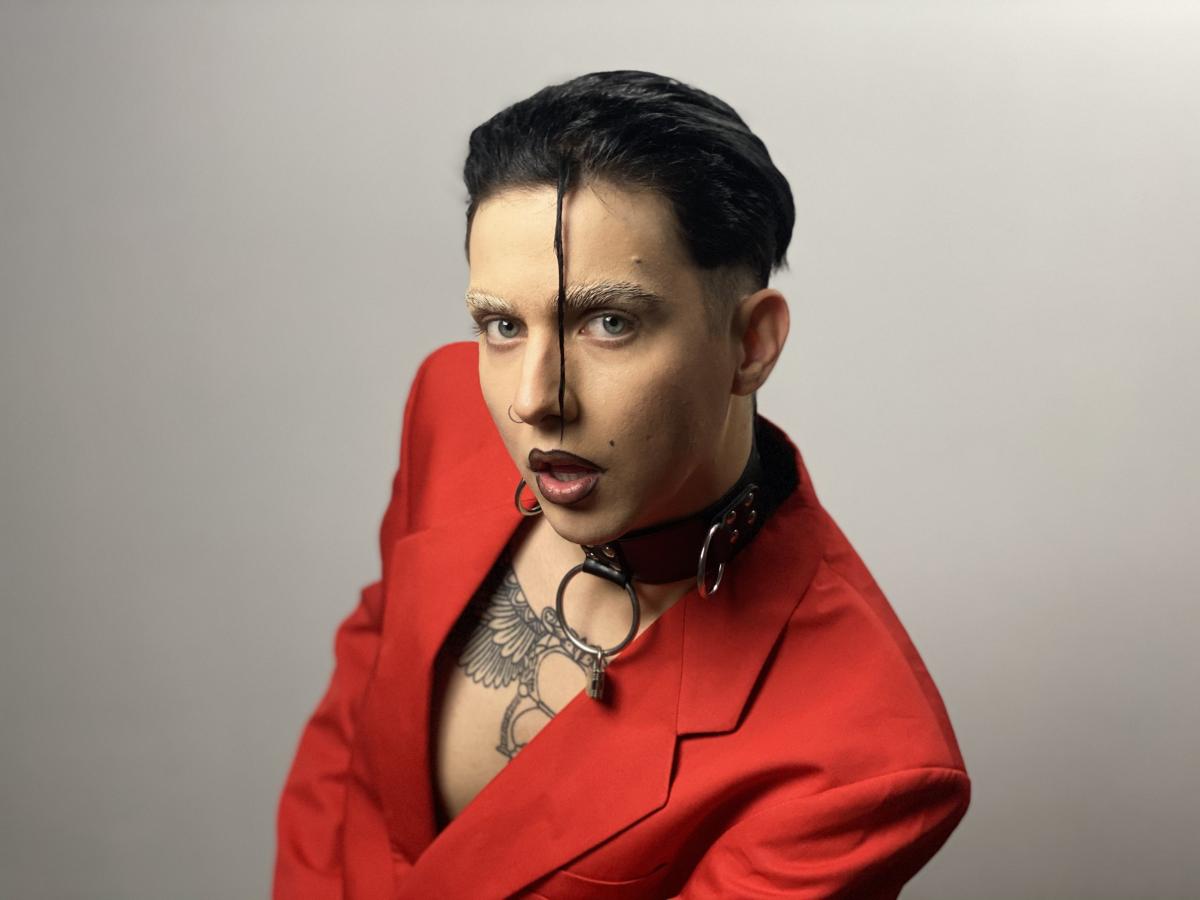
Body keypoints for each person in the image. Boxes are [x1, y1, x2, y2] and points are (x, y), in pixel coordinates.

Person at [274, 70, 970, 899]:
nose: (534, 399)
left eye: (610, 323)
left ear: (751, 344)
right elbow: (353, 735)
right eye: (502, 324)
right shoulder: (448, 408)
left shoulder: (859, 763)